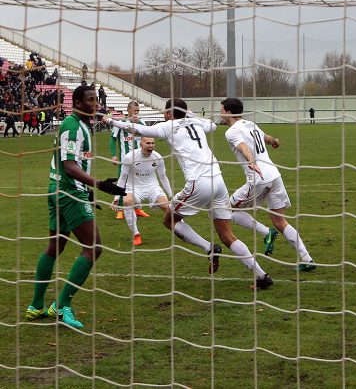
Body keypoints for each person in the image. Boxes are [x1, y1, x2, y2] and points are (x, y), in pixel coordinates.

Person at [102, 98, 273, 289]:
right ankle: (261, 276)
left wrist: (110, 121)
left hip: (198, 183)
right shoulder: (197, 122)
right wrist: (190, 115)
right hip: (218, 180)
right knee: (226, 234)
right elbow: (213, 126)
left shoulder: (167, 126)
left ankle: (208, 248)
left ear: (168, 113)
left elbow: (138, 130)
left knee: (169, 220)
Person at [25, 85, 126, 329]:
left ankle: (36, 305)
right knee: (93, 248)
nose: (96, 103)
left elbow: (72, 165)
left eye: (96, 99)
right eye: (90, 100)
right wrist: (99, 185)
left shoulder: (80, 125)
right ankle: (61, 305)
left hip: (58, 188)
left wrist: (88, 189)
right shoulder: (73, 127)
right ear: (78, 103)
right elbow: (69, 165)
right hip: (68, 193)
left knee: (55, 247)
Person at [220, 97, 316, 271]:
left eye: (221, 110)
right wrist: (274, 141)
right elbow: (265, 137)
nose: (220, 113)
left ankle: (266, 233)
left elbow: (243, 147)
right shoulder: (250, 124)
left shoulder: (232, 131)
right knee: (280, 221)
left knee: (227, 210)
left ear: (228, 112)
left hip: (259, 177)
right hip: (274, 175)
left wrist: (251, 161)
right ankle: (307, 259)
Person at [116, 137, 173, 246]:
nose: (151, 145)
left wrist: (171, 194)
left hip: (152, 186)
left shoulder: (158, 157)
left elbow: (163, 176)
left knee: (167, 206)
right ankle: (136, 234)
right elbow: (123, 178)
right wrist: (117, 196)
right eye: (148, 143)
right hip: (134, 187)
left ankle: (180, 228)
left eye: (153, 143)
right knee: (127, 202)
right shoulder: (129, 157)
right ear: (141, 145)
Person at [109, 101, 149, 219]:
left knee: (138, 182)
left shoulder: (142, 123)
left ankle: (137, 208)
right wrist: (113, 155)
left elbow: (147, 138)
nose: (136, 113)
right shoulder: (121, 123)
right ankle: (120, 209)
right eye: (134, 111)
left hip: (139, 160)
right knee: (123, 183)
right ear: (128, 111)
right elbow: (112, 139)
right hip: (124, 160)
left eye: (137, 111)